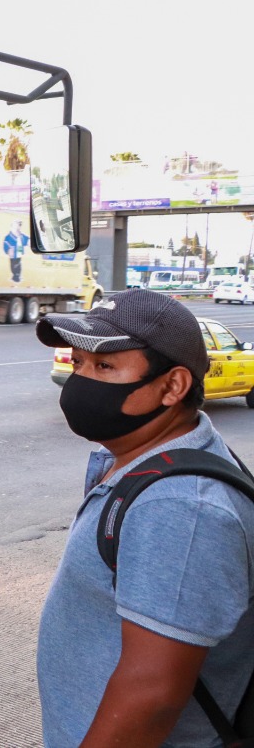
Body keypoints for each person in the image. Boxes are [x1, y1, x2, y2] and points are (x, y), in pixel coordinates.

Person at [34, 289, 254, 747]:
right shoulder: (144, 459)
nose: (82, 382)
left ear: (173, 386)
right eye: (79, 363)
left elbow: (152, 694)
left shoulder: (180, 506)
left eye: (106, 367)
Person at [3, 218, 29, 283]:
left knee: (18, 263)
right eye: (17, 225)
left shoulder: (21, 235)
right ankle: (15, 276)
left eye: (19, 225)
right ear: (13, 226)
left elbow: (27, 240)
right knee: (14, 264)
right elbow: (6, 243)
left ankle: (17, 276)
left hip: (19, 252)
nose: (19, 227)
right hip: (13, 252)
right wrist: (8, 250)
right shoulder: (9, 236)